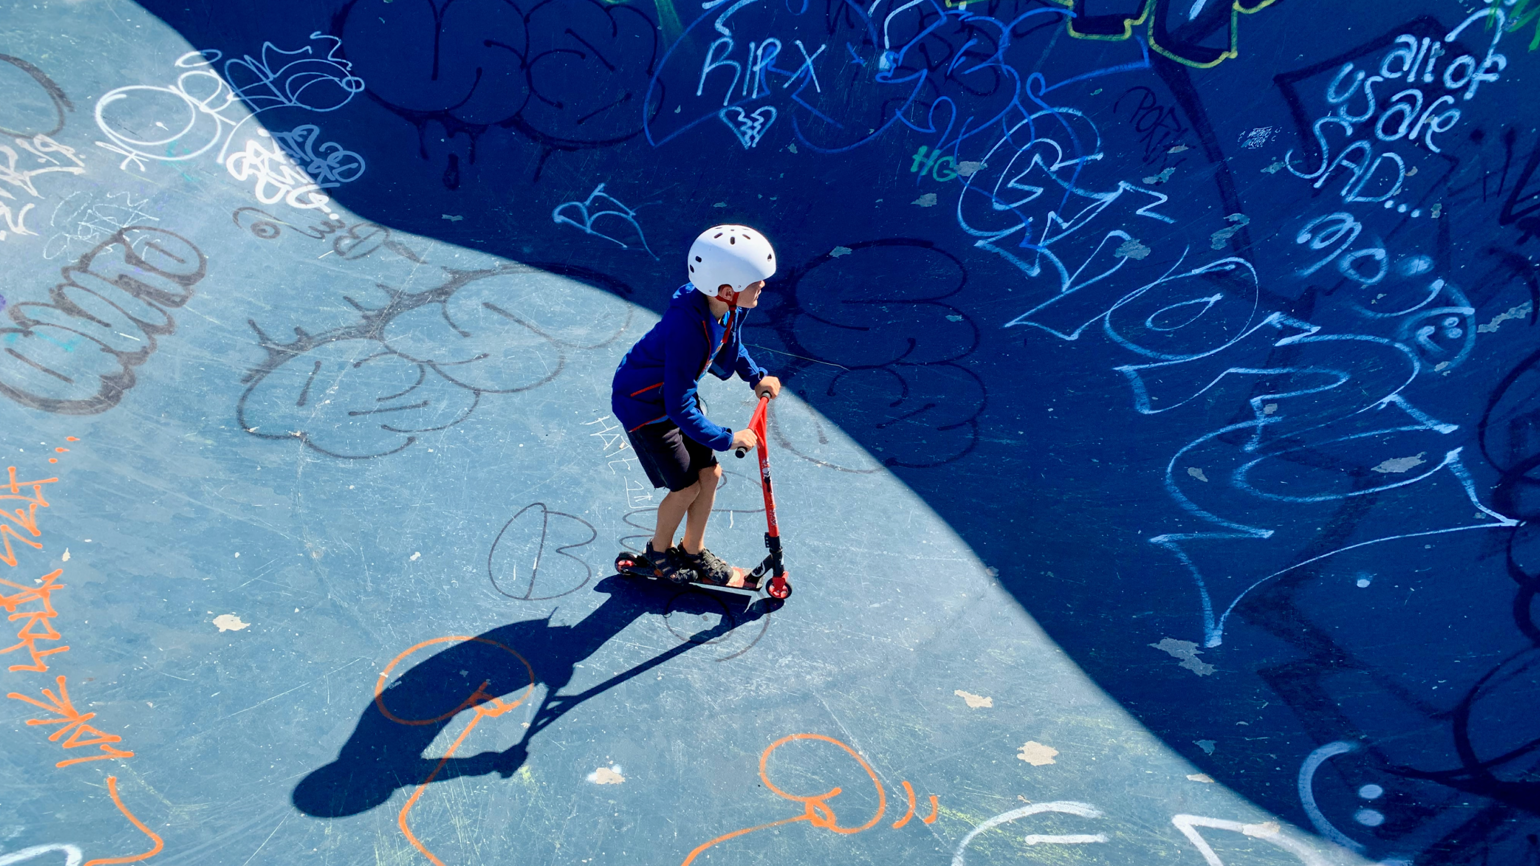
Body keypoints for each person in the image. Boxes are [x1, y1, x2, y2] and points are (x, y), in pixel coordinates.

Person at [611, 225, 782, 585]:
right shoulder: (687, 329)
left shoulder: (725, 306)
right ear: (726, 290)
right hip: (645, 409)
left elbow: (730, 343)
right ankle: (658, 553)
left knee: (711, 474)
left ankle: (692, 549)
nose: (762, 286)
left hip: (673, 399)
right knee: (686, 487)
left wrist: (755, 377)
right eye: (756, 281)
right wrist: (727, 438)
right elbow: (678, 407)